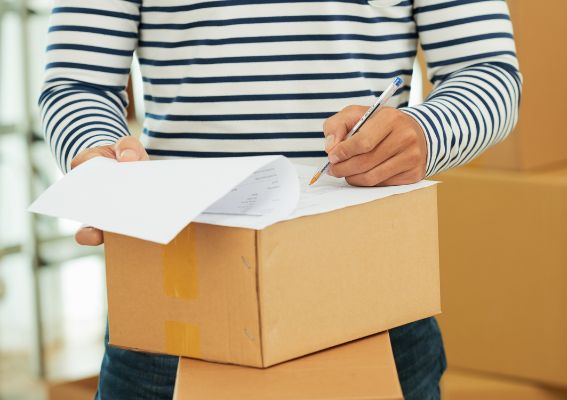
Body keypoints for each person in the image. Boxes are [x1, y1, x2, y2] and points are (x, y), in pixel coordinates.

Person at [40, 0, 521, 398]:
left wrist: (423, 132)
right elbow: (76, 83)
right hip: (177, 298)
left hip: (370, 296)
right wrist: (102, 164)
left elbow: (490, 74)